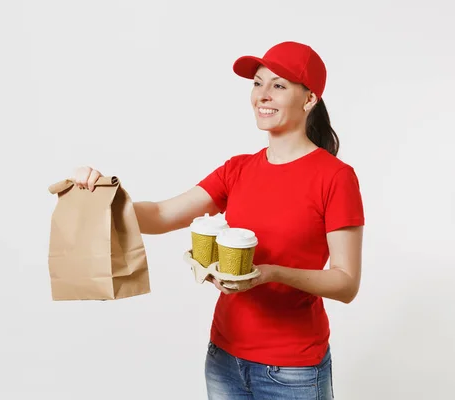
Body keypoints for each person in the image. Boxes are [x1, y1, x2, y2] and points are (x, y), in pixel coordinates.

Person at [73, 41, 364, 400]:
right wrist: (105, 195)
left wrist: (272, 273)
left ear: (309, 99)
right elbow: (162, 214)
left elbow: (346, 283)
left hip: (293, 369)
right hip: (224, 358)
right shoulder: (239, 169)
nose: (262, 95)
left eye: (279, 85)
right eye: (257, 83)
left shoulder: (335, 177)